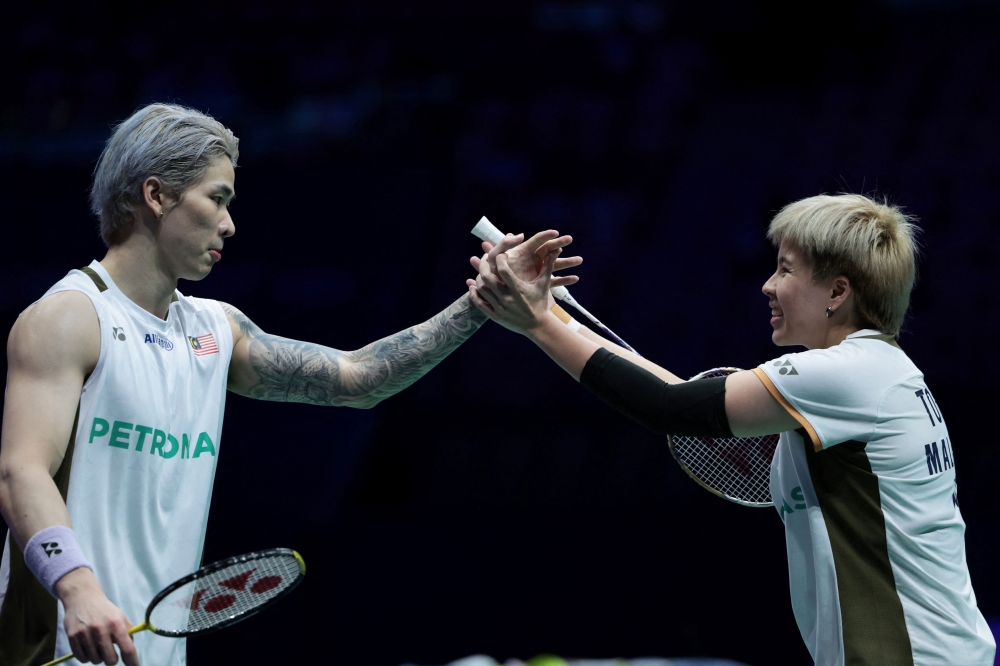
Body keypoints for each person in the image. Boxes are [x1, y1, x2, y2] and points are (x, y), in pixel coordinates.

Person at [0, 103, 581, 666]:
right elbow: (20, 472)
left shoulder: (215, 330)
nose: (229, 222)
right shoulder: (70, 319)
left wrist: (482, 301)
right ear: (156, 196)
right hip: (58, 642)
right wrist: (77, 589)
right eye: (217, 199)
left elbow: (359, 378)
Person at [467, 194, 996, 666]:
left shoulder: (846, 375)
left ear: (837, 291)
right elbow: (679, 392)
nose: (768, 285)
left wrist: (536, 322)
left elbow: (669, 407)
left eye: (786, 270)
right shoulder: (878, 371)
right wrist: (548, 313)